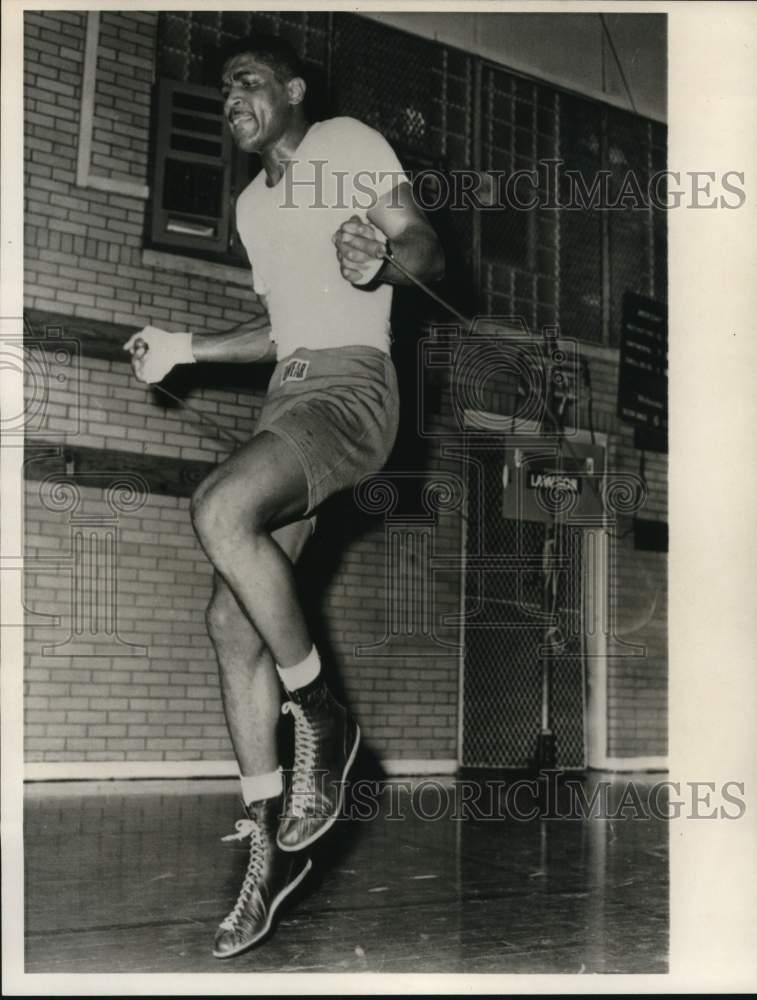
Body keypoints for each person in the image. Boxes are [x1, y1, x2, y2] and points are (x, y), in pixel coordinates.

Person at [124, 34, 444, 958]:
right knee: (231, 623)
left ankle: (323, 712)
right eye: (223, 84)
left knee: (220, 507)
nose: (231, 92)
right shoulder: (253, 204)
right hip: (291, 393)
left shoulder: (345, 143)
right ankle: (269, 853)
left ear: (294, 92)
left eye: (249, 78)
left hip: (351, 390)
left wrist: (382, 263)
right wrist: (188, 346)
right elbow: (277, 327)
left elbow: (425, 243)